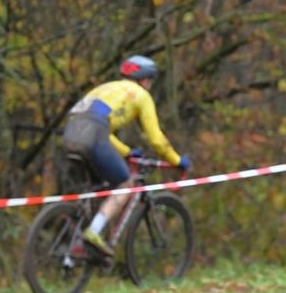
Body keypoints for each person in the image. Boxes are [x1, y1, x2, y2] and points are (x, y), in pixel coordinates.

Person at [62, 54, 191, 257]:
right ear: (146, 80)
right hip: (94, 135)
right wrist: (177, 160)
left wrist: (127, 152)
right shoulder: (140, 95)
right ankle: (93, 233)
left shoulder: (106, 88)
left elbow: (98, 125)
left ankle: (80, 242)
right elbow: (157, 140)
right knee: (125, 184)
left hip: (71, 133)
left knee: (100, 186)